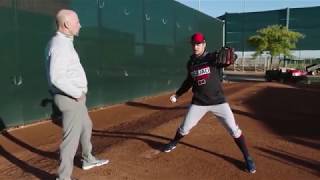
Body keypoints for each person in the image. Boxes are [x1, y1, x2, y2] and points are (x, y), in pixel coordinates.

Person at [163, 32, 256, 174]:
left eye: (198, 44)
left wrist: (232, 58)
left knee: (234, 130)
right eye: (194, 44)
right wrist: (178, 94)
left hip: (219, 102)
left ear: (204, 44)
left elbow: (229, 60)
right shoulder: (191, 62)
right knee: (184, 128)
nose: (196, 46)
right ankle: (174, 142)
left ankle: (247, 157)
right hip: (199, 103)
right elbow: (189, 81)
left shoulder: (212, 57)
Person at [45, 9, 109, 180]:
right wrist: (76, 93)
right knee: (70, 141)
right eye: (77, 21)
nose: (80, 24)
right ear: (66, 24)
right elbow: (57, 77)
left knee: (86, 125)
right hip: (70, 98)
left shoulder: (64, 42)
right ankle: (63, 177)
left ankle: (88, 158)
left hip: (73, 97)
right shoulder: (59, 45)